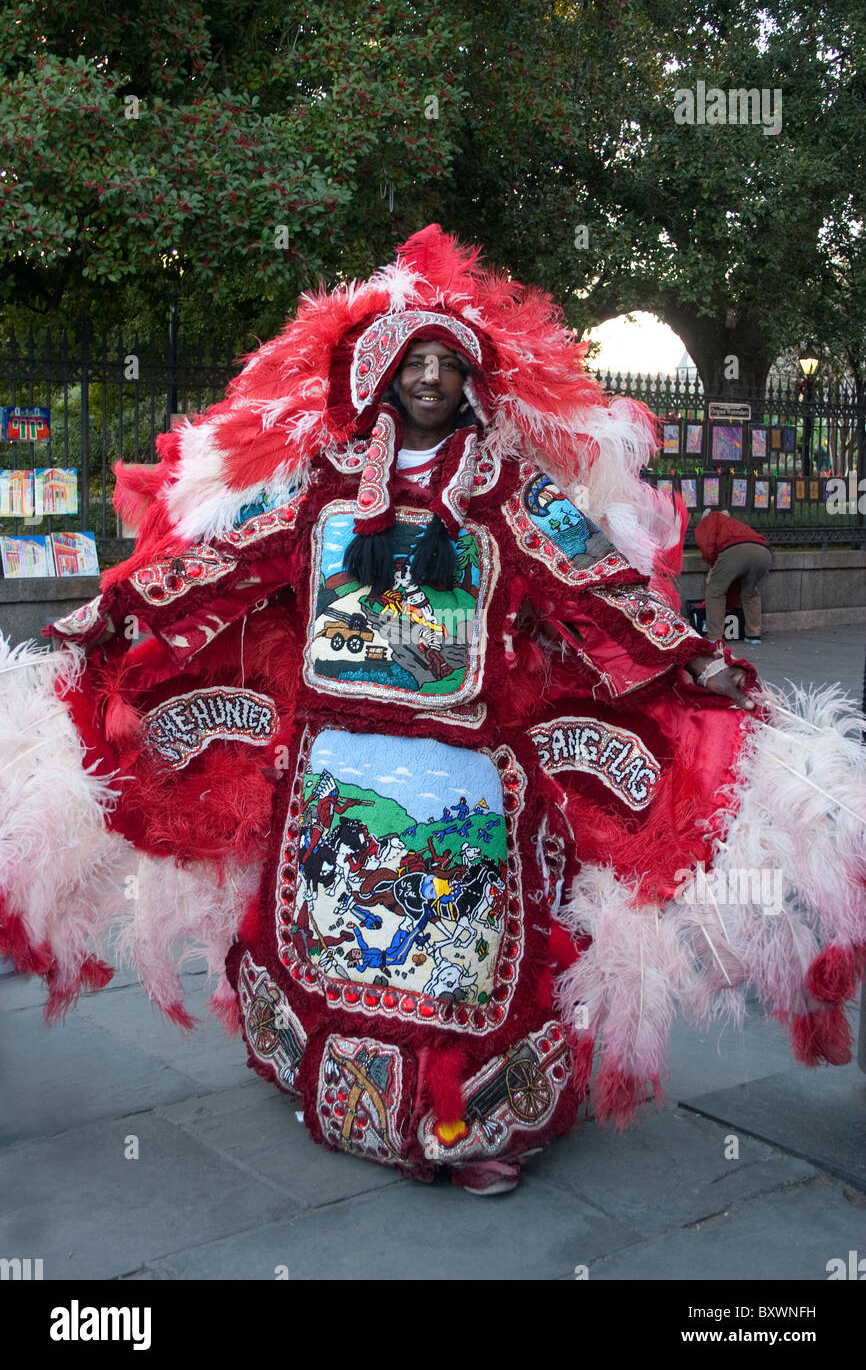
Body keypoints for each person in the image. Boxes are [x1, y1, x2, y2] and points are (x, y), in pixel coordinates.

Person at [2, 225, 864, 1197]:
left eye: (442, 365)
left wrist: (686, 659)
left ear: (466, 382)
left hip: (466, 766)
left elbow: (592, 586)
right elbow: (217, 568)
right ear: (379, 376)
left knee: (465, 957)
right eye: (408, 363)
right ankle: (327, 1086)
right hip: (334, 760)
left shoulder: (500, 490)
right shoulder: (325, 490)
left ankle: (462, 1122)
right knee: (323, 930)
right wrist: (116, 607)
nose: (425, 379)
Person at [694, 507, 772, 644]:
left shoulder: (707, 523)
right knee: (750, 592)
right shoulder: (734, 524)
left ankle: (714, 636)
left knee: (715, 591)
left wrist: (713, 568)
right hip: (763, 552)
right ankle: (753, 635)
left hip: (735, 552)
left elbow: (708, 548)